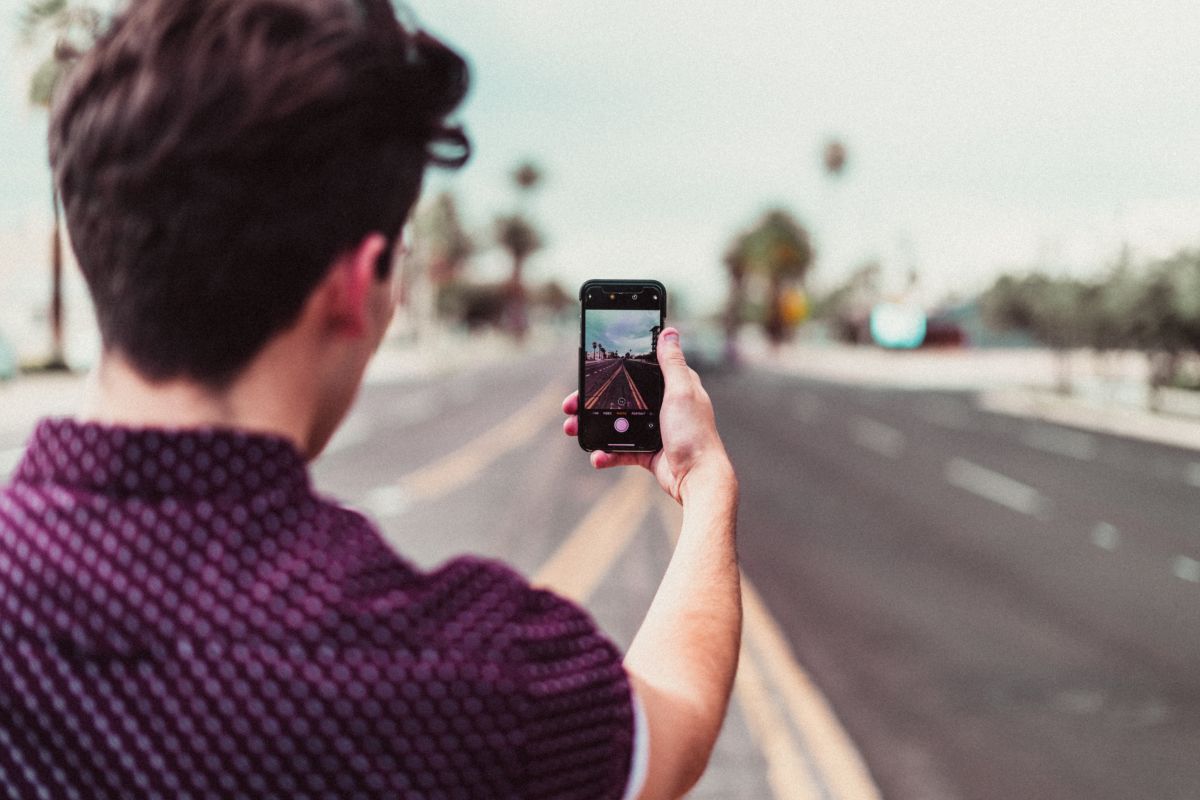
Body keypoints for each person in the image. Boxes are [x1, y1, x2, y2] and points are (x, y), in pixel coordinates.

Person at [0, 0, 740, 798]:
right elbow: (676, 721)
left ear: (96, 240)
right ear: (357, 285)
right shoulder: (464, 671)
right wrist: (706, 488)